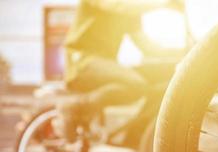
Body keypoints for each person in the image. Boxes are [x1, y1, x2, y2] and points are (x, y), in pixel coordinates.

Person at [55, 0, 185, 143]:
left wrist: (184, 53)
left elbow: (146, 47)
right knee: (136, 83)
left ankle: (136, 135)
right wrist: (164, 4)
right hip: (83, 61)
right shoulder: (120, 6)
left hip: (105, 64)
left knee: (145, 81)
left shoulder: (130, 13)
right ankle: (74, 106)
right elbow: (119, 5)